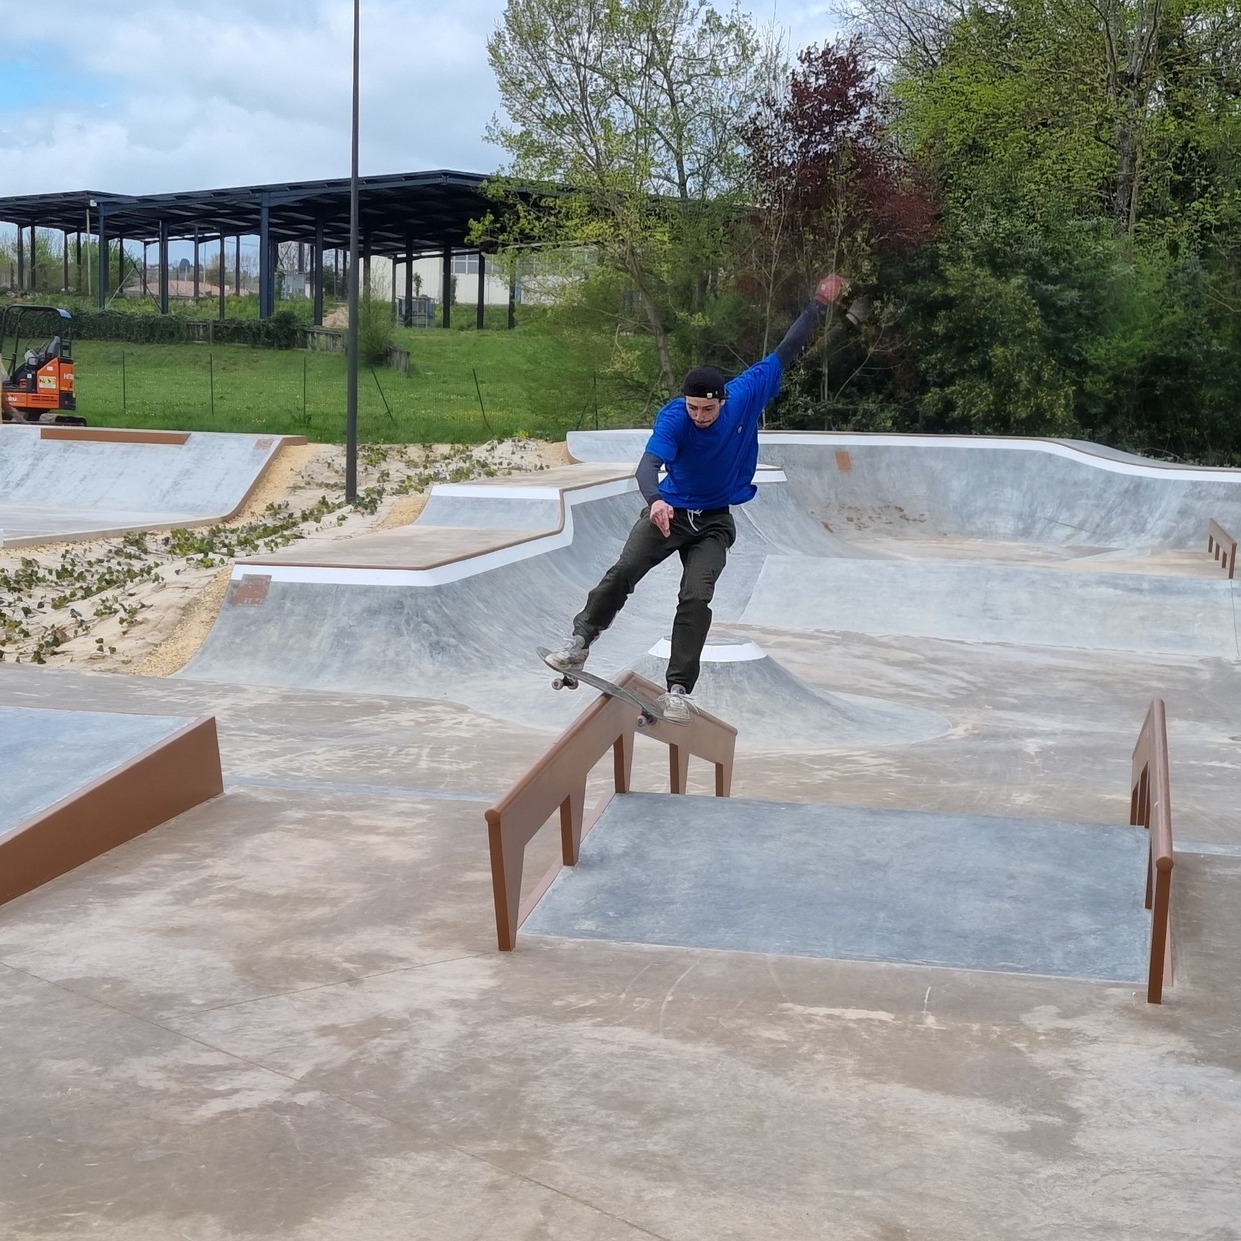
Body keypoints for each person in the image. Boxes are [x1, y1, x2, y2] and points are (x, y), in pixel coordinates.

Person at [546, 272, 862, 723]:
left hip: (713, 522)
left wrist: (817, 304)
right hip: (669, 513)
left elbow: (787, 350)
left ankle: (678, 689)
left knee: (695, 597)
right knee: (623, 572)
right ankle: (579, 644)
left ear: (722, 400)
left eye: (707, 410)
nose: (700, 416)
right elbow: (646, 467)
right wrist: (655, 500)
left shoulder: (747, 393)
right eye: (694, 408)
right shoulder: (675, 417)